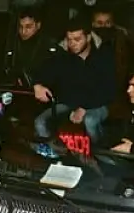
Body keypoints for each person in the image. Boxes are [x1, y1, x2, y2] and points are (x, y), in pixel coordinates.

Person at [32, 16, 116, 145]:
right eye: (69, 40)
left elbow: (107, 90)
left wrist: (84, 108)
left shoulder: (103, 56)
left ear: (88, 38)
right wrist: (37, 85)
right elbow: (44, 72)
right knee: (40, 122)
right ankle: (52, 153)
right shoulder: (63, 58)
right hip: (69, 103)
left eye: (77, 39)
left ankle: (100, 154)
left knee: (90, 121)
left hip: (98, 103)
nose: (72, 44)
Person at [6, 8, 57, 84]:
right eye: (20, 27)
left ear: (38, 25)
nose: (23, 31)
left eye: (28, 27)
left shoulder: (48, 45)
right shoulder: (13, 43)